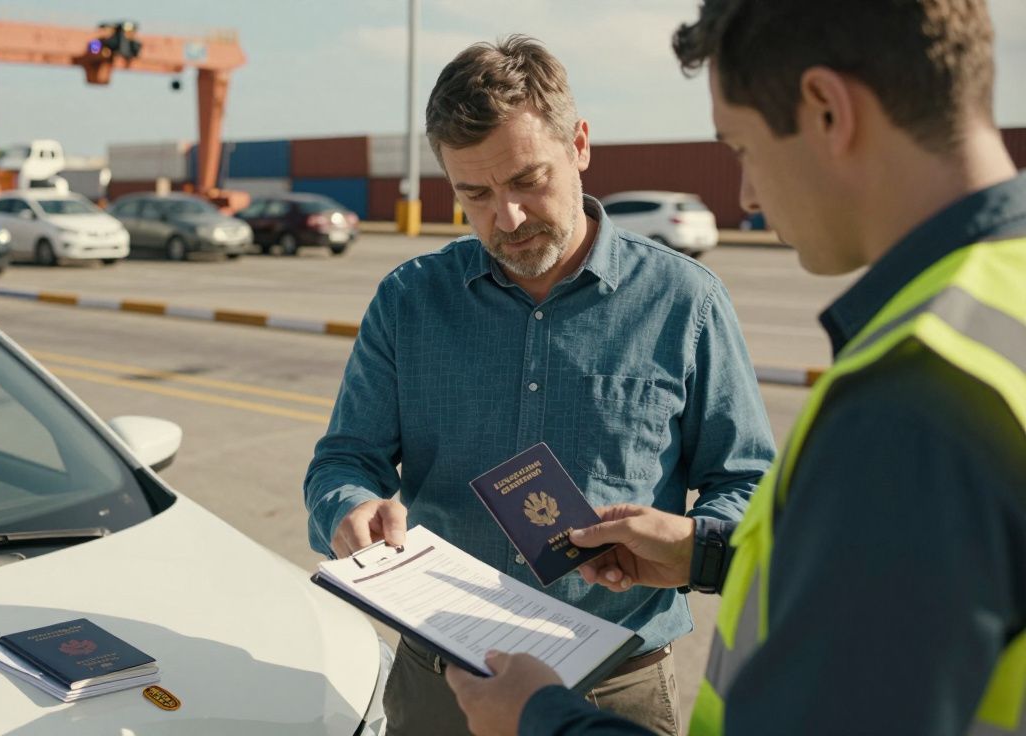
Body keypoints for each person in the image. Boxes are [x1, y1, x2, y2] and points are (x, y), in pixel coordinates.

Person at [445, 2, 1026, 735]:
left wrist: (538, 718)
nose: (748, 197)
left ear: (825, 109)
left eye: (743, 147)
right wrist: (705, 553)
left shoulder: (919, 400)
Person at [303, 35, 776, 735]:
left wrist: (688, 542)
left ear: (580, 144)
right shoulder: (409, 301)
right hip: (442, 686)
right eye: (476, 194)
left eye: (527, 180)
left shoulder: (686, 303)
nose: (508, 218)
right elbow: (344, 460)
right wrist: (347, 509)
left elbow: (749, 485)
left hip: (615, 692)